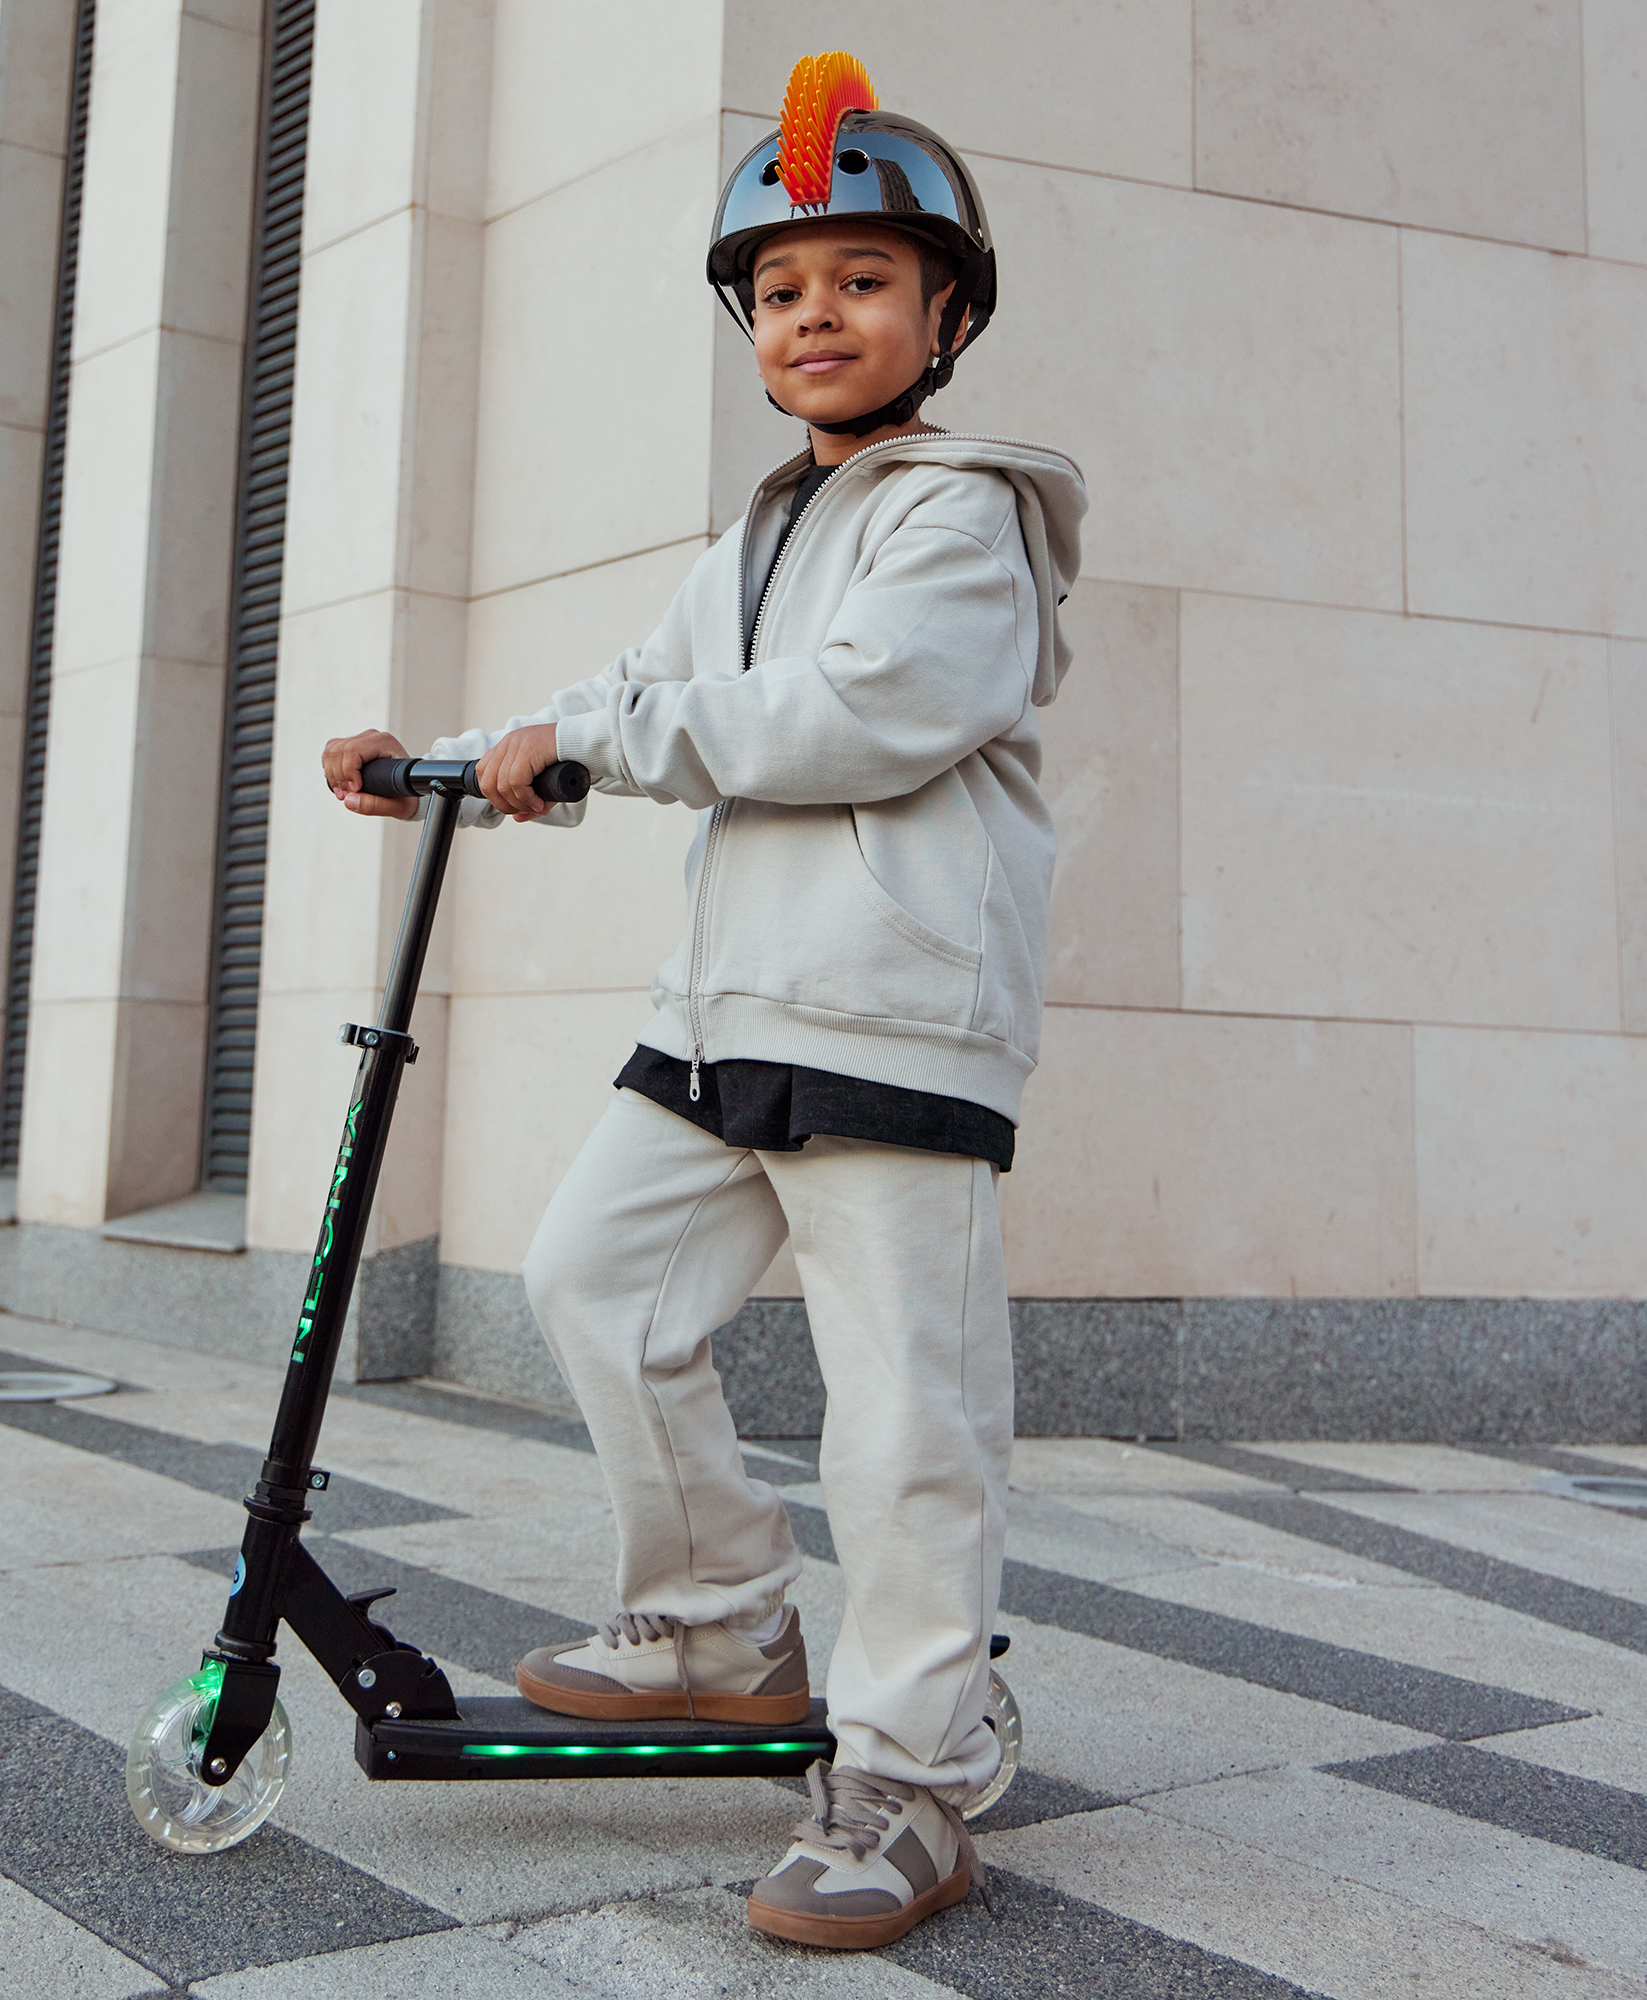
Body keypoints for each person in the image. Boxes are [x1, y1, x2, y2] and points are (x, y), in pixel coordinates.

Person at [322, 50, 1085, 1953]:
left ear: (948, 315)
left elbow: (854, 715)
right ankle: (718, 1625)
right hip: (728, 1013)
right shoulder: (750, 539)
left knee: (904, 1417)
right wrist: (458, 753)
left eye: (861, 281)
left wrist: (592, 739)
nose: (813, 315)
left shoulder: (965, 516)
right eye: (779, 291)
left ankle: (915, 1774)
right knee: (591, 1280)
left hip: (893, 1020)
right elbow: (628, 687)